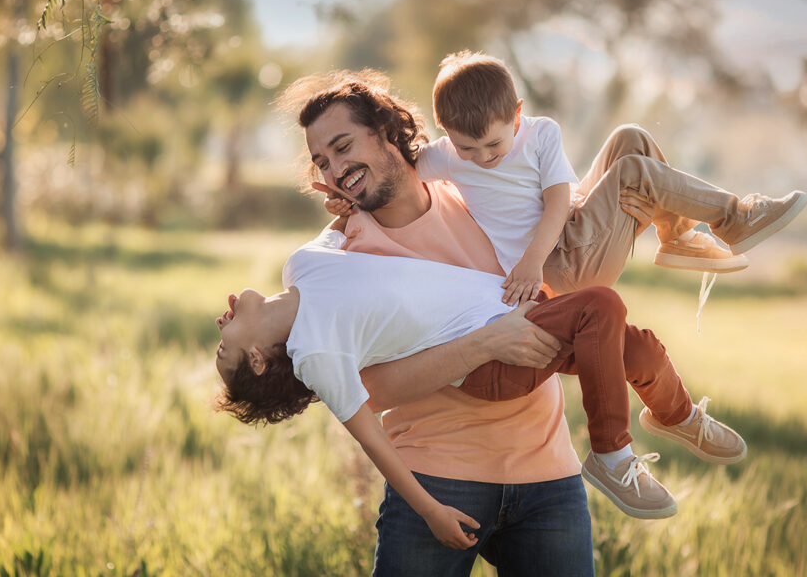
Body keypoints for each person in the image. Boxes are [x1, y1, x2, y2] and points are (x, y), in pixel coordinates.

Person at [269, 69, 744, 577]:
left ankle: (677, 408)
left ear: (387, 131)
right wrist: (485, 343)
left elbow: (559, 252)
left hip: (548, 475)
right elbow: (368, 393)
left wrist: (633, 207)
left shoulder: (472, 186)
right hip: (437, 476)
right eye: (323, 162)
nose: (337, 169)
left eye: (343, 147)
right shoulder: (344, 251)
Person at [214, 231, 710, 553]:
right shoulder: (314, 353)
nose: (220, 322)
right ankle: (610, 455)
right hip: (494, 361)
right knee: (600, 304)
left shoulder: (300, 265)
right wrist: (430, 511)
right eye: (222, 346)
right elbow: (370, 439)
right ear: (258, 359)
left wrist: (342, 198)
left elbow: (344, 223)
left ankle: (677, 415)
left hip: (512, 311)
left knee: (637, 351)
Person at [326, 50, 807, 307]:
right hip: (562, 265)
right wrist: (345, 193)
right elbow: (395, 175)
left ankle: (676, 235)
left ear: (517, 116)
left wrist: (593, 213)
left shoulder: (540, 135)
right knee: (634, 172)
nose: (483, 158)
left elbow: (560, 199)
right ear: (448, 135)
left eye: (494, 145)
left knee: (630, 138)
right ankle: (733, 218)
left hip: (569, 234)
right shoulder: (449, 157)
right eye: (468, 149)